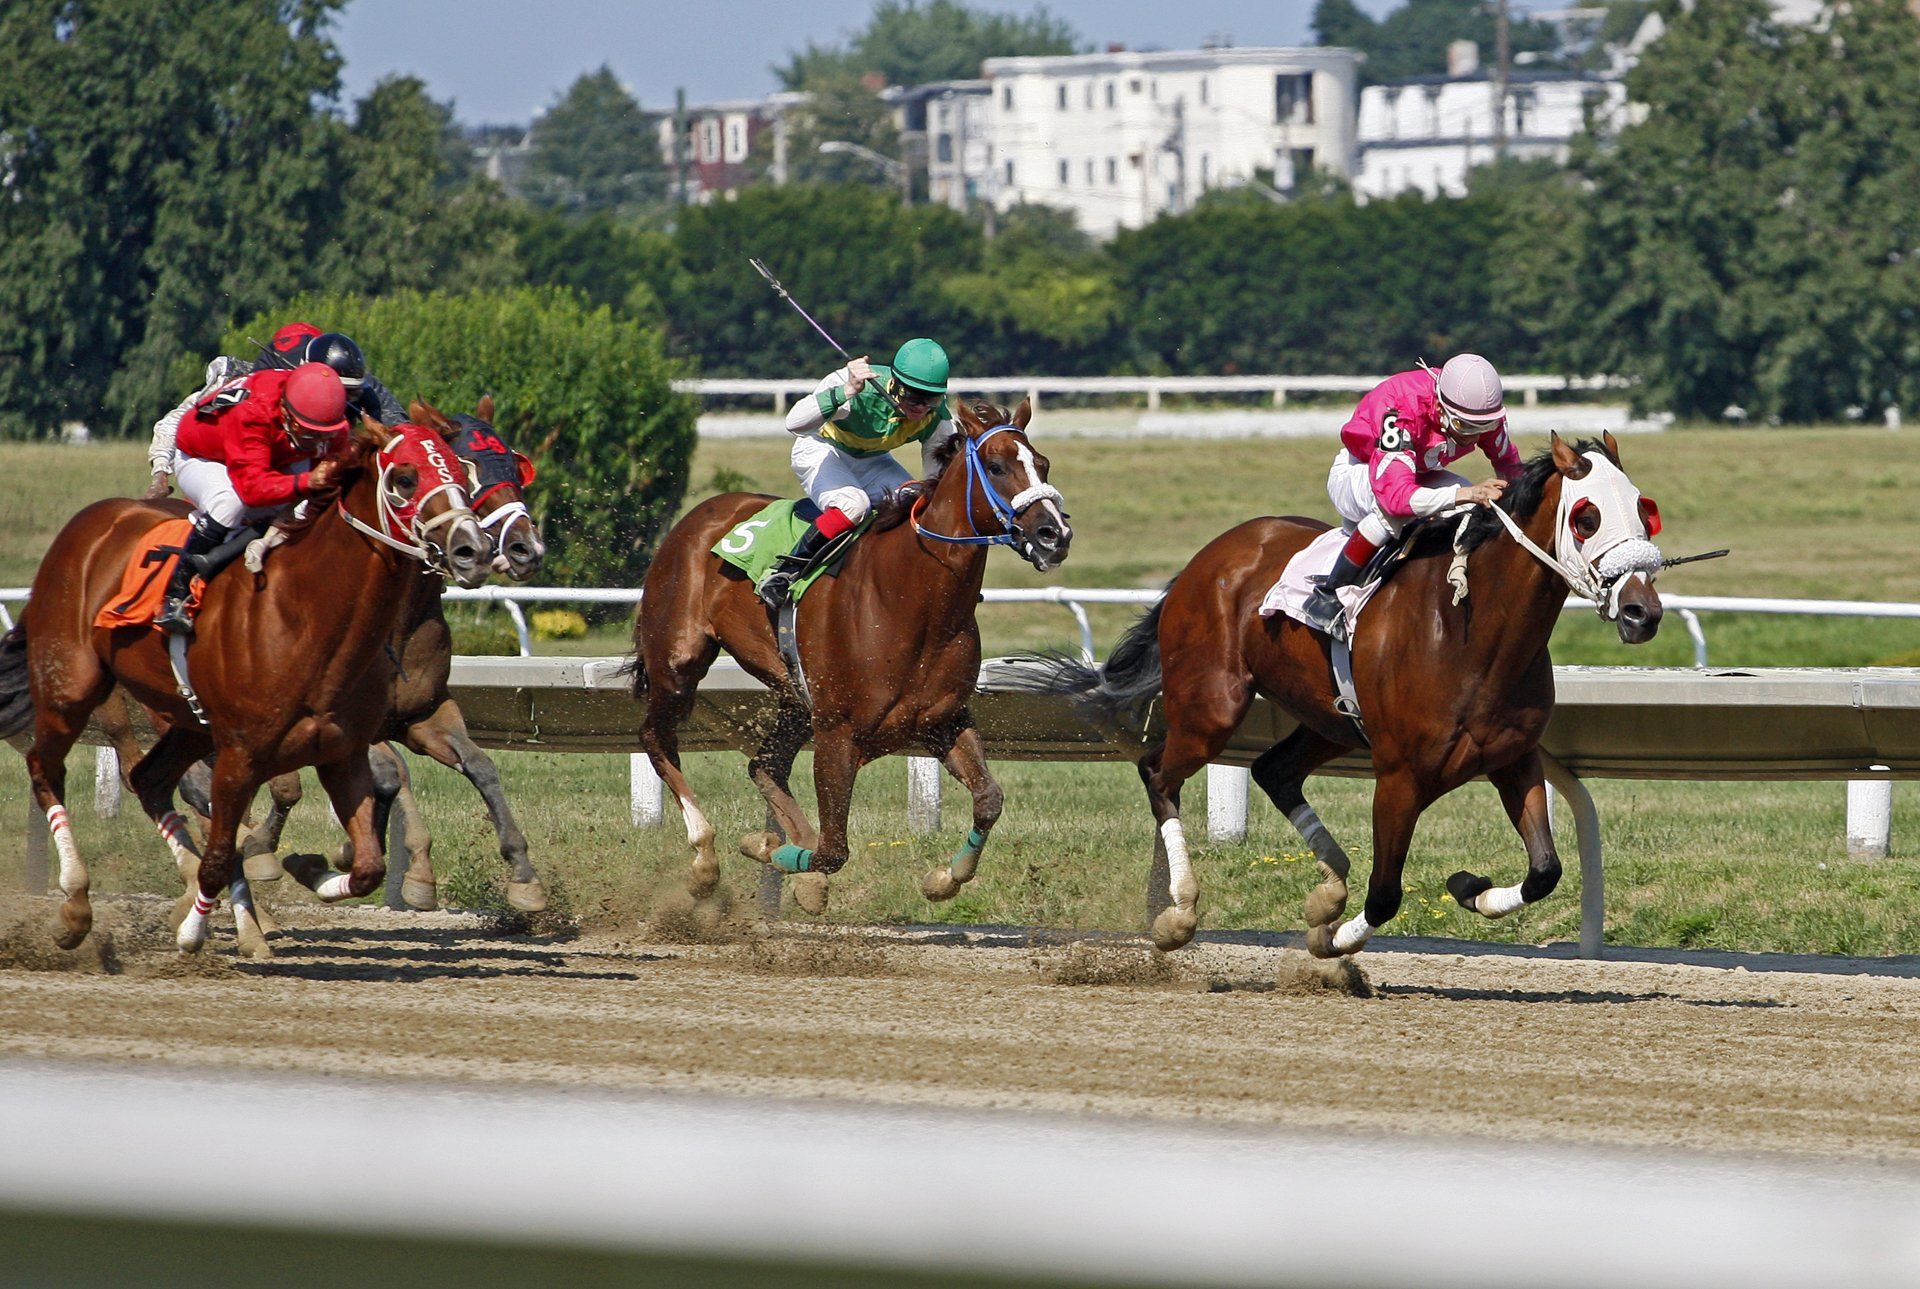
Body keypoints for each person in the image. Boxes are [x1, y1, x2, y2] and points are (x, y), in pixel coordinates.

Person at [1300, 354, 1526, 639]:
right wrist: (1467, 493)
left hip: (1416, 471)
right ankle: (1328, 595)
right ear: (1442, 407)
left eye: (1483, 428)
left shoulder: (1479, 412)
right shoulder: (1402, 409)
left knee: (1472, 510)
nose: (1474, 437)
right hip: (1359, 471)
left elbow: (1510, 467)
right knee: (1396, 513)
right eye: (1465, 427)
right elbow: (1396, 498)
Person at [153, 362, 353, 635]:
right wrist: (308, 480)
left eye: (323, 435)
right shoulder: (254, 413)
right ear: (285, 410)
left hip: (270, 448)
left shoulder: (323, 415)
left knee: (305, 504)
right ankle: (175, 593)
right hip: (202, 454)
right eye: (308, 432)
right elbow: (253, 490)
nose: (316, 441)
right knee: (231, 502)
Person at [757, 337, 956, 607]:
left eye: (930, 398)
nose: (920, 407)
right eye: (913, 396)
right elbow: (794, 423)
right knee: (854, 505)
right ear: (895, 384)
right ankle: (783, 574)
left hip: (872, 461)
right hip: (822, 448)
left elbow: (936, 484)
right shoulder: (853, 384)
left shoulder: (938, 417)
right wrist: (847, 389)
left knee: (917, 503)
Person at [145, 324, 403, 501]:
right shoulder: (240, 381)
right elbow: (173, 424)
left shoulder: (354, 379)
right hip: (231, 470)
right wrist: (160, 474)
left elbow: (400, 429)